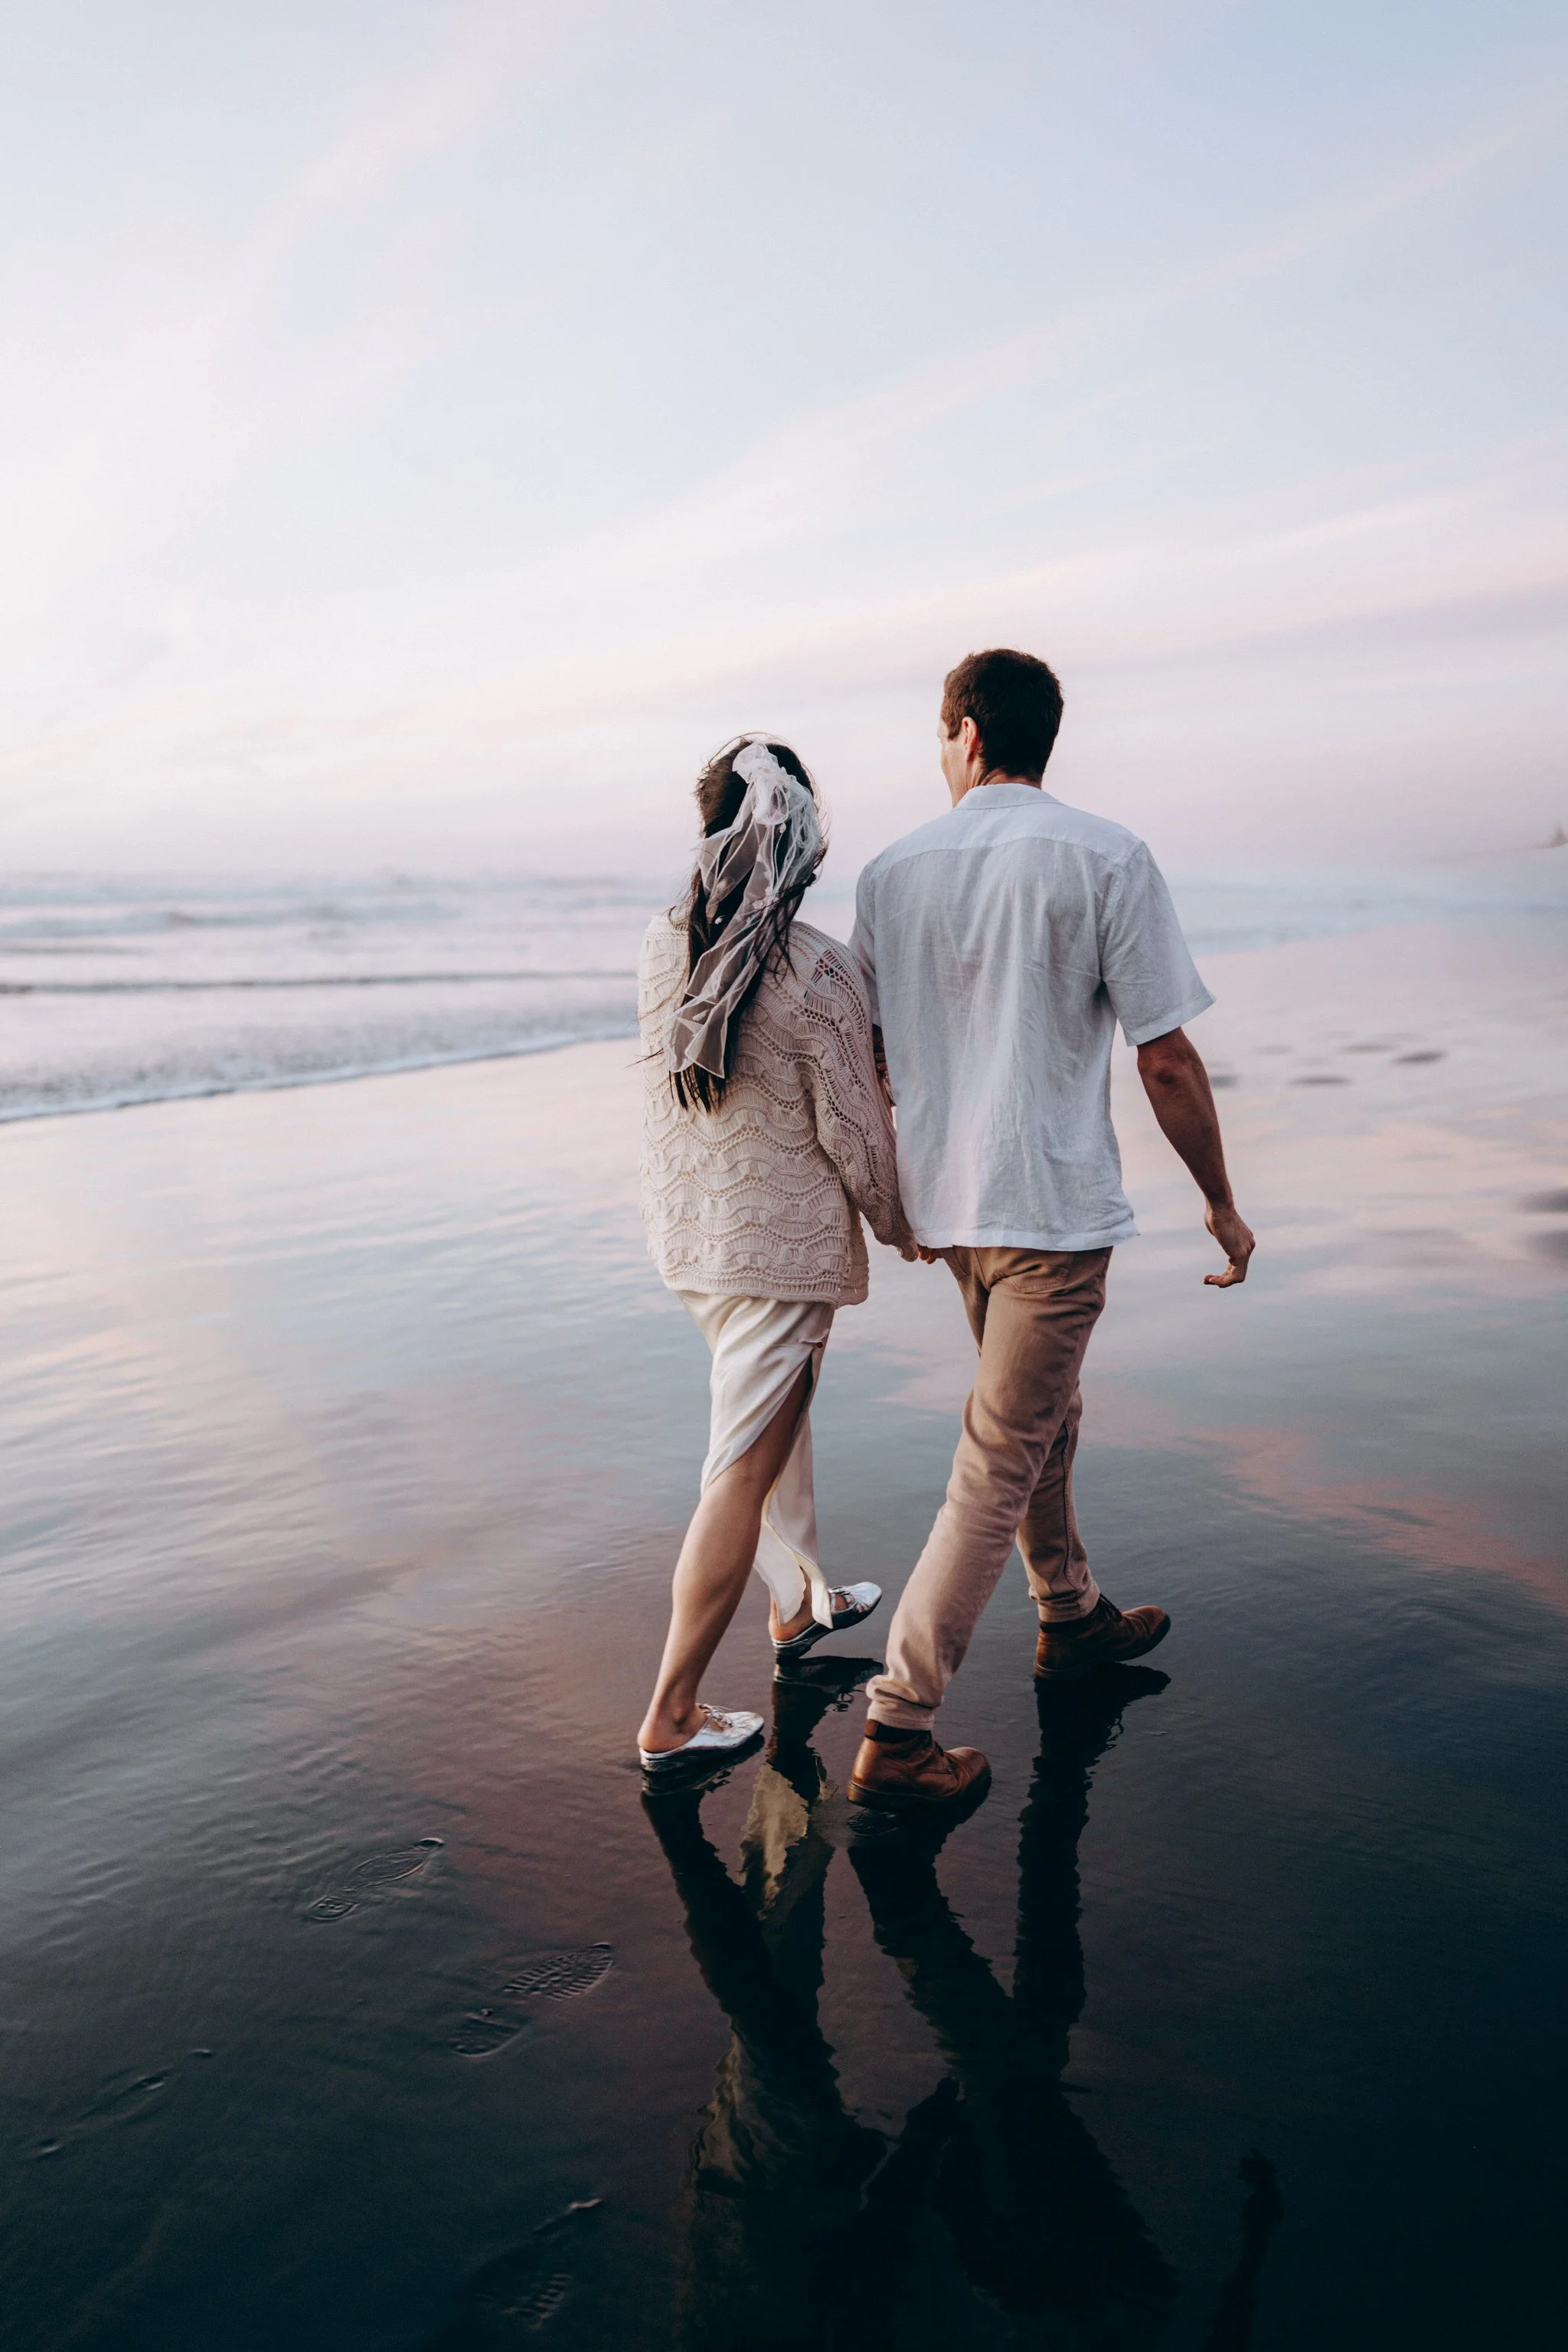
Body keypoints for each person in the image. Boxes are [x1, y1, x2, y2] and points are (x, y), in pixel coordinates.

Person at [847, 648, 1256, 1813]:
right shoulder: (1105, 853)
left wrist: (895, 1191)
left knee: (1036, 1416)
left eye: (940, 736)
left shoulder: (888, 874)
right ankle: (899, 1727)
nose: (940, 756)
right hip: (1048, 1205)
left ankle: (1069, 1614)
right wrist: (1220, 1201)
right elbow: (1165, 1056)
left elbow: (868, 1053)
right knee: (1002, 1450)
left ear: (970, 735)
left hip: (952, 1206)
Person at [636, 735, 916, 1777]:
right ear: (799, 836)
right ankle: (671, 1712)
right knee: (739, 1470)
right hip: (777, 1255)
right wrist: (902, 1225)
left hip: (693, 1241)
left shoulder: (664, 943)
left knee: (775, 1424)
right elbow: (856, 1132)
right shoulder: (815, 968)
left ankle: (799, 1605)